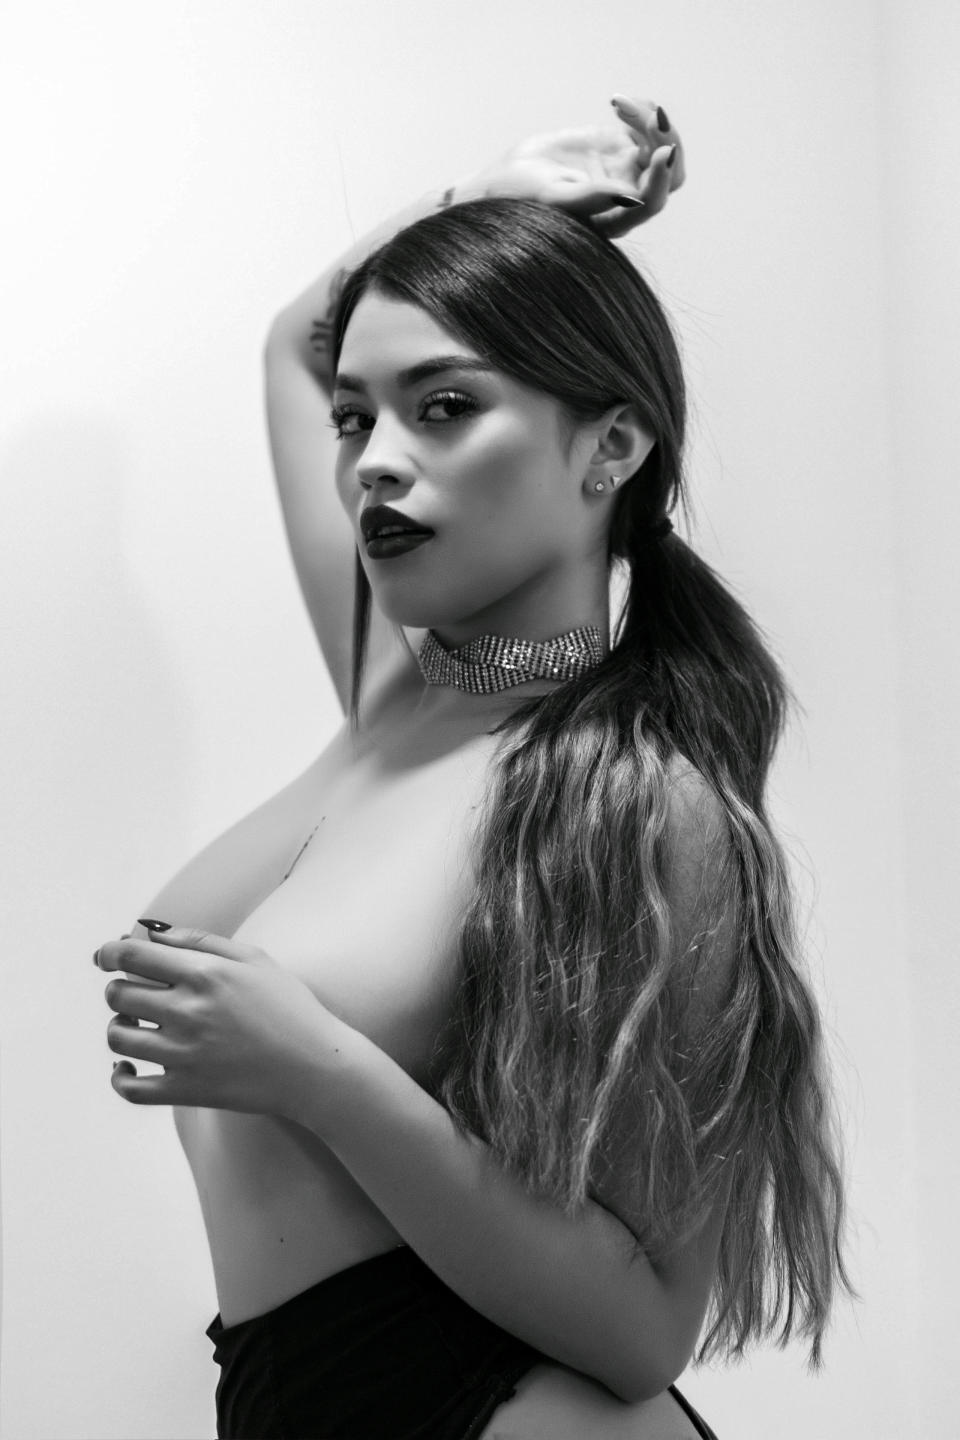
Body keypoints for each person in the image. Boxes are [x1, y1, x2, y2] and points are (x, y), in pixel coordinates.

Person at [94, 93, 851, 1439]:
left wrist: (318, 1069)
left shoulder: (641, 804)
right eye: (358, 420)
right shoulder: (398, 695)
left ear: (612, 447)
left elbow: (645, 1332)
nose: (376, 465)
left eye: (445, 407)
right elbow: (296, 341)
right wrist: (487, 206)